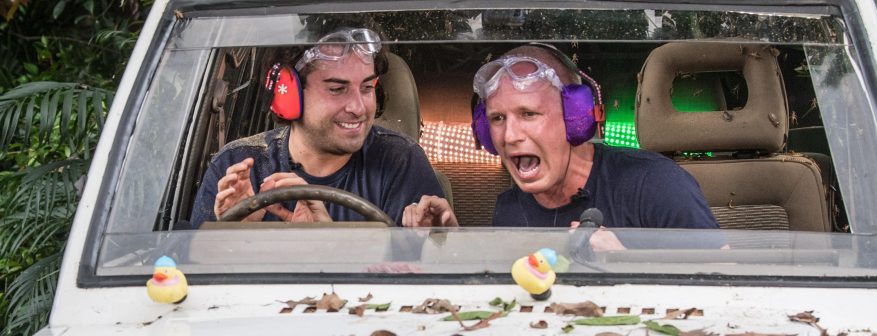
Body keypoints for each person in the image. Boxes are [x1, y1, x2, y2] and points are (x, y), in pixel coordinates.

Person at [190, 27, 455, 227]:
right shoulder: (237, 169)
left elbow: (417, 286)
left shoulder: (401, 163)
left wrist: (329, 245)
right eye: (337, 89)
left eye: (366, 88)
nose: (359, 107)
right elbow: (184, 285)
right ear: (288, 95)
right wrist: (234, 237)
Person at [473, 45, 718, 236]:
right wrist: (446, 239)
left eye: (528, 114)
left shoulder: (656, 184)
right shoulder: (509, 212)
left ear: (575, 117)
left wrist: (625, 262)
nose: (509, 135)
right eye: (497, 118)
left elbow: (721, 277)